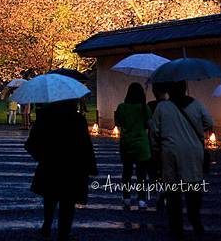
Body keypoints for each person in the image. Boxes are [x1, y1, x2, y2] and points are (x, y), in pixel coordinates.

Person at [25, 99, 97, 241]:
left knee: (50, 196)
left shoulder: (46, 116)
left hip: (50, 164)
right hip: (72, 167)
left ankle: (47, 223)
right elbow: (85, 145)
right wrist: (90, 166)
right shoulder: (77, 119)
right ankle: (64, 231)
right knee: (68, 201)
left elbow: (31, 142)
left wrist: (41, 156)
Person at [150, 81, 213, 238]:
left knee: (173, 193)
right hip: (193, 153)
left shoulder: (162, 107)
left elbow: (154, 133)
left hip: (170, 153)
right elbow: (209, 123)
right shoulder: (196, 104)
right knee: (193, 187)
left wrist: (156, 151)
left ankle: (176, 227)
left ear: (169, 90)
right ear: (185, 89)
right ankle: (195, 220)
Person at [114, 82, 152, 210]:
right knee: (141, 174)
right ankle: (141, 200)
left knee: (127, 173)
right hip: (141, 144)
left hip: (126, 143)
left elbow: (118, 122)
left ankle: (126, 198)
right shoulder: (144, 108)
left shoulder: (122, 107)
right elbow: (148, 124)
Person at [147, 82, 168, 210]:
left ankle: (158, 191)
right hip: (167, 141)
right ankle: (165, 191)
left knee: (154, 170)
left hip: (153, 142)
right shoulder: (171, 106)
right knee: (167, 169)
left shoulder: (150, 105)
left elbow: (147, 123)